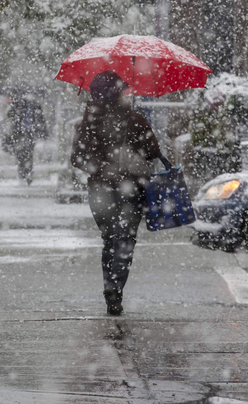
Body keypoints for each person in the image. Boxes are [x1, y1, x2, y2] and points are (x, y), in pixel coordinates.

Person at [71, 71, 169, 316]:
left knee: (110, 240)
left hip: (99, 192)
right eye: (123, 89)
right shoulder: (133, 118)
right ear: (117, 93)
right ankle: (115, 291)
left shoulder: (87, 121)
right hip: (130, 190)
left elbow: (78, 159)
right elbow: (152, 150)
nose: (127, 92)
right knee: (124, 241)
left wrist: (101, 167)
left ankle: (110, 289)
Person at [4, 93, 48, 185]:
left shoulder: (35, 106)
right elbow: (9, 115)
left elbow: (41, 119)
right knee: (21, 154)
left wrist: (42, 132)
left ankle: (27, 173)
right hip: (19, 134)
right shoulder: (17, 104)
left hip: (29, 133)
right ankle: (23, 173)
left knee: (28, 153)